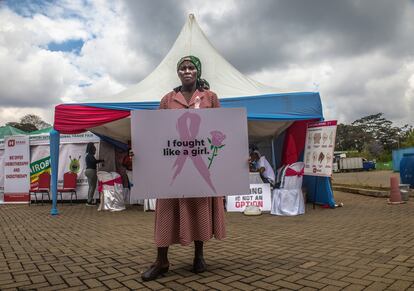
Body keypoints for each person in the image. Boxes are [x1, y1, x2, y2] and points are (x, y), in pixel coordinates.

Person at [141, 56, 225, 281]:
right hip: (172, 164)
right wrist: (141, 150)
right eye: (182, 68)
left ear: (197, 71)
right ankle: (161, 261)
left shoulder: (210, 98)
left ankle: (199, 255)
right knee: (167, 210)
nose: (187, 71)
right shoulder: (168, 99)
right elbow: (157, 132)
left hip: (200, 163)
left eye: (191, 67)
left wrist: (234, 156)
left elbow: (222, 129)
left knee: (199, 207)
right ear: (178, 72)